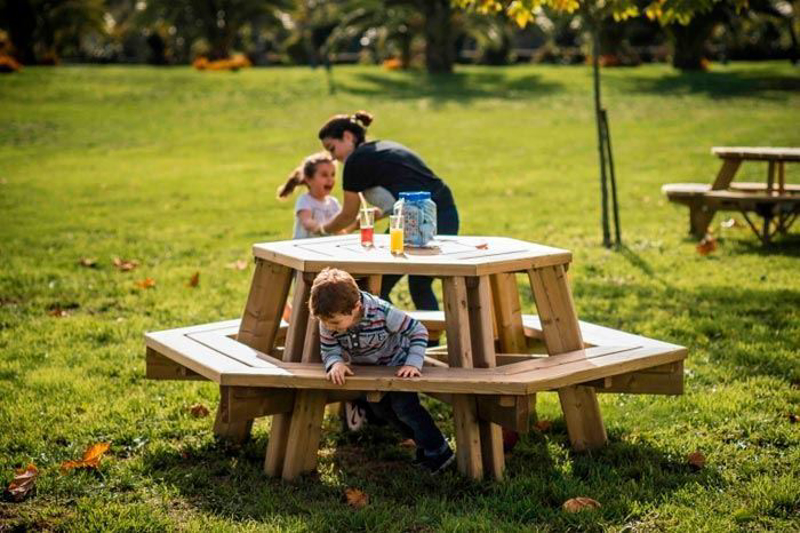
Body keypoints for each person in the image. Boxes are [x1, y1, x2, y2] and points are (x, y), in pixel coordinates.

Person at [309, 268, 456, 474]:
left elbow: (418, 330)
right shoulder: (329, 320)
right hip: (373, 372)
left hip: (398, 367)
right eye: (324, 323)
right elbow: (329, 348)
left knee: (405, 408)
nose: (329, 327)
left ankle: (440, 452)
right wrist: (335, 363)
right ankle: (425, 448)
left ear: (356, 307)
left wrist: (413, 363)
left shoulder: (383, 313)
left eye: (334, 323)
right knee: (383, 410)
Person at [316, 111, 460, 312]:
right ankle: (428, 339)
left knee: (375, 284)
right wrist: (378, 215)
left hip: (413, 220)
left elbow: (348, 213)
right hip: (445, 212)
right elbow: (405, 190)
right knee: (419, 284)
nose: (333, 157)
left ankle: (403, 333)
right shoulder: (383, 146)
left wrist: (322, 229)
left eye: (332, 148)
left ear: (348, 136)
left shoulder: (355, 161)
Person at [276, 152, 341, 239]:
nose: (330, 179)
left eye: (333, 174)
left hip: (327, 247)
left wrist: (354, 224)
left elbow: (341, 225)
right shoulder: (305, 201)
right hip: (304, 249)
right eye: (324, 175)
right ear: (309, 180)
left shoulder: (333, 203)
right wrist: (322, 229)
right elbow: (307, 222)